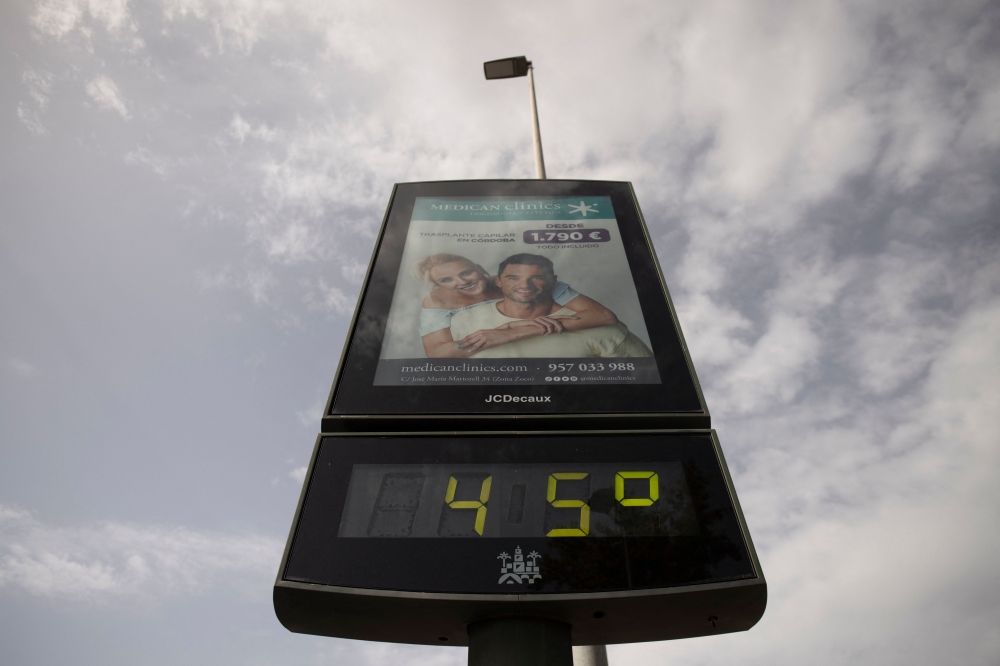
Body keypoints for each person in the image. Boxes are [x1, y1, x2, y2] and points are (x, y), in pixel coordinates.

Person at [413, 253, 618, 358]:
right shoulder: (437, 301)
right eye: (447, 280)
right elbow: (437, 353)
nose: (462, 282)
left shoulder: (520, 283)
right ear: (439, 286)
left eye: (466, 273)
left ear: (479, 268)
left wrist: (517, 331)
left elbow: (603, 316)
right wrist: (498, 331)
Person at [450, 253, 652, 358]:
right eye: (513, 278)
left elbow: (646, 382)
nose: (524, 286)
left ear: (553, 281)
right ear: (499, 282)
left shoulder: (603, 329)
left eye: (536, 277)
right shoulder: (463, 320)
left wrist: (515, 332)